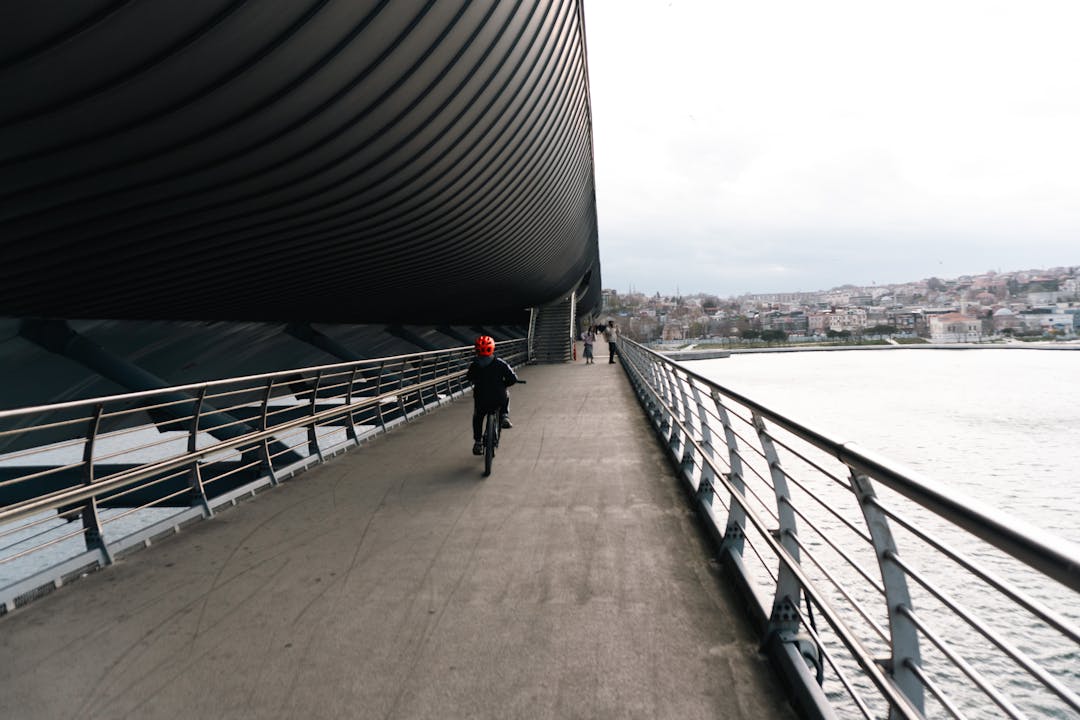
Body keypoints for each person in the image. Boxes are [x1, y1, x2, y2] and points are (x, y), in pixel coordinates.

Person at [466, 335, 519, 455]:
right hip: (498, 397)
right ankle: (505, 415)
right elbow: (513, 378)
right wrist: (504, 384)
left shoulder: (474, 365)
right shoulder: (500, 363)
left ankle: (478, 442)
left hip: (481, 398)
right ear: (492, 348)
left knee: (478, 417)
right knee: (505, 394)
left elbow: (469, 377)